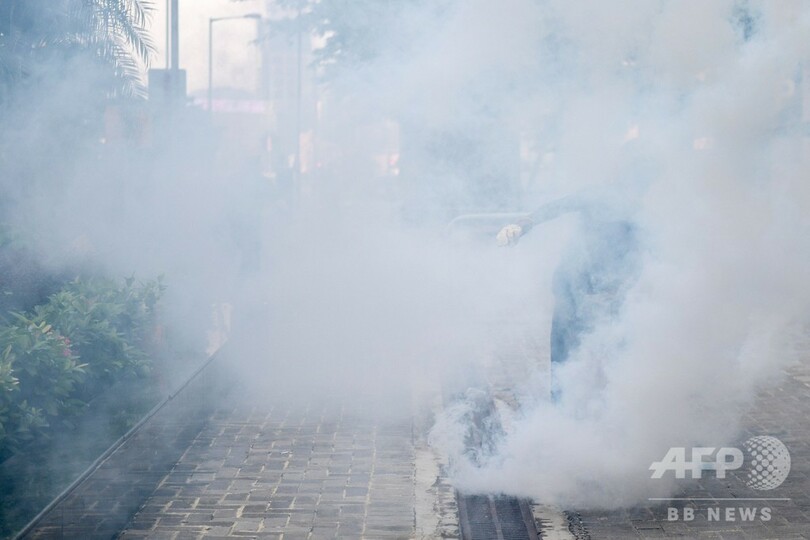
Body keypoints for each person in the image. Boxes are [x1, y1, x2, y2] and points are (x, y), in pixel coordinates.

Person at [496, 190, 641, 401]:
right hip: (572, 285)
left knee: (617, 355)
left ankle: (613, 404)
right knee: (563, 353)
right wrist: (522, 225)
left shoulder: (642, 219)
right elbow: (556, 207)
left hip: (613, 294)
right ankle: (560, 406)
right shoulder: (598, 196)